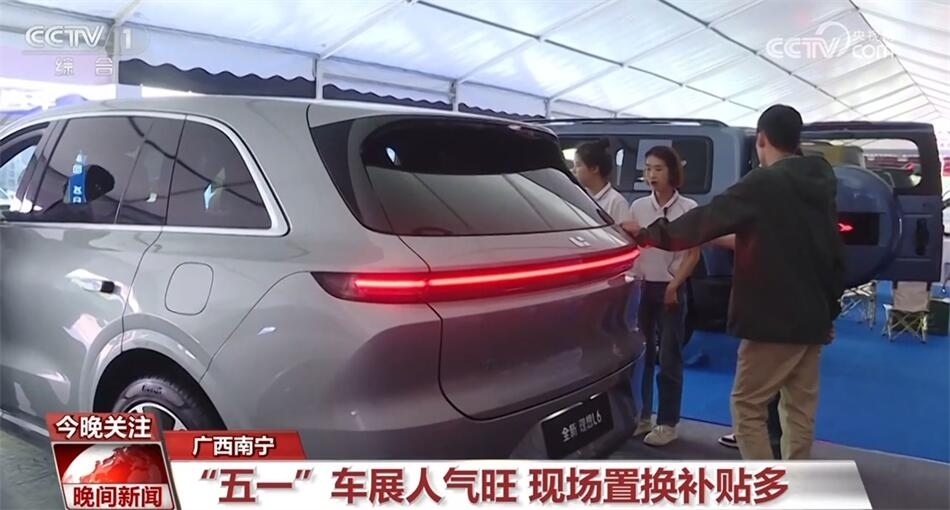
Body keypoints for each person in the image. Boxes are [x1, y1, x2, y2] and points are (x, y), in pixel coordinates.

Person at [620, 104, 846, 460]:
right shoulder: (820, 183)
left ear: (762, 139)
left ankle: (767, 485)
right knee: (798, 410)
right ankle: (796, 481)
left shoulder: (764, 182)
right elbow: (831, 251)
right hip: (813, 317)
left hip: (771, 318)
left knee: (747, 406)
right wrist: (830, 310)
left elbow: (708, 218)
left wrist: (649, 234)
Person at [629, 145, 700, 446]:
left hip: (672, 288)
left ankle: (668, 422)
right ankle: (642, 415)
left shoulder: (688, 208)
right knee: (642, 355)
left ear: (672, 172)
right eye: (647, 169)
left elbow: (693, 254)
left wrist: (675, 285)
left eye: (658, 169)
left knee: (669, 356)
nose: (651, 175)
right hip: (643, 286)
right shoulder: (638, 207)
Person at [573, 140, 630, 223]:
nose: (573, 170)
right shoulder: (579, 196)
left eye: (578, 165)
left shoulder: (617, 202)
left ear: (594, 168)